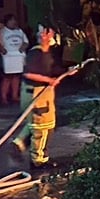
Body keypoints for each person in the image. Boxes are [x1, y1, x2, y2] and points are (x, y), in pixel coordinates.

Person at [16, 26, 62, 166]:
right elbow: (28, 74)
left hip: (44, 93)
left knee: (45, 125)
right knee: (41, 127)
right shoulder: (35, 53)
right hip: (36, 93)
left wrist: (68, 71)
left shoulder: (47, 53)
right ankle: (38, 161)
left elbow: (51, 69)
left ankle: (18, 144)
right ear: (44, 36)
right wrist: (49, 80)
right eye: (49, 34)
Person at [0, 16, 28, 105]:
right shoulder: (2, 32)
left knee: (16, 77)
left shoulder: (19, 31)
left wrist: (22, 48)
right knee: (7, 78)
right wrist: (2, 49)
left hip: (18, 57)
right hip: (8, 58)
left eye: (14, 21)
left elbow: (25, 42)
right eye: (11, 21)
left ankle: (14, 96)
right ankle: (4, 97)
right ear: (7, 22)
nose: (13, 22)